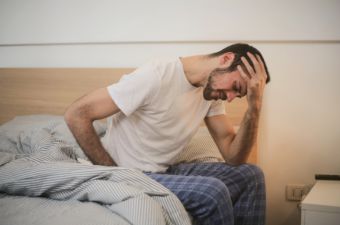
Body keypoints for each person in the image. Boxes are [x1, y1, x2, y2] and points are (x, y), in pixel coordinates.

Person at [65, 43, 270, 225]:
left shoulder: (212, 93)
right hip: (131, 172)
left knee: (251, 175)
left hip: (163, 171)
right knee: (213, 192)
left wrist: (255, 106)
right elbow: (76, 114)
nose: (231, 97)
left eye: (239, 95)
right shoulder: (156, 75)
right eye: (235, 87)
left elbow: (234, 157)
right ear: (226, 59)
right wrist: (114, 174)